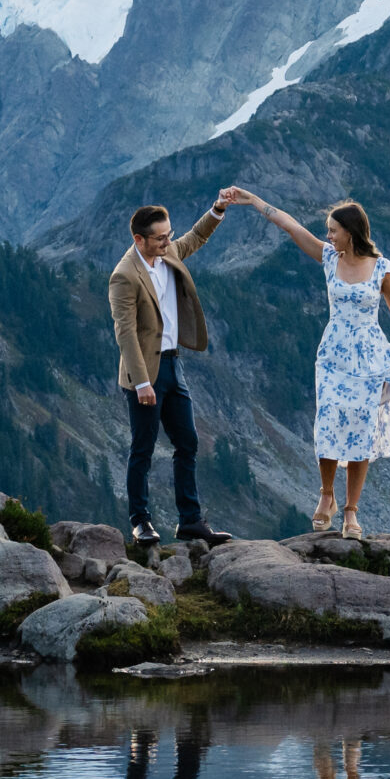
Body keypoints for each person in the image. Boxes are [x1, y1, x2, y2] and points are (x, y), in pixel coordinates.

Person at [218, 191, 390, 538]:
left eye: (333, 230)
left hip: (369, 355)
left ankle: (351, 512)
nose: (328, 235)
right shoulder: (329, 257)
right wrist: (254, 201)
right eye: (328, 230)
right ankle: (326, 494)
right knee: (328, 420)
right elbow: (290, 226)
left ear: (351, 231)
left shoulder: (382, 268)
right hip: (333, 354)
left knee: (362, 431)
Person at [109, 194, 236, 546]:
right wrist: (142, 382)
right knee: (143, 448)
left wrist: (218, 210)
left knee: (187, 442)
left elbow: (194, 237)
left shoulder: (168, 253)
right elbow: (126, 333)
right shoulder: (124, 276)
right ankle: (141, 522)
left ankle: (190, 521)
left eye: (169, 235)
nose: (169, 242)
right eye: (161, 237)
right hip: (144, 374)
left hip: (173, 363)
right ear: (139, 240)